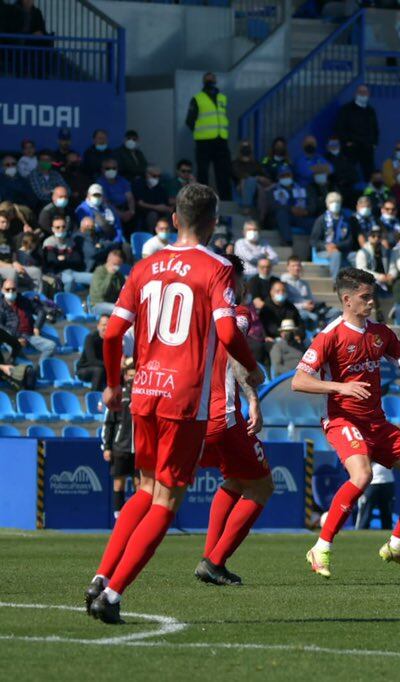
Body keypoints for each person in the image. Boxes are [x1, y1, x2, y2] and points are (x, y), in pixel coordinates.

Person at [85, 183, 262, 624]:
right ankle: (112, 595)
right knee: (167, 498)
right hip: (184, 398)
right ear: (214, 221)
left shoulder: (144, 267)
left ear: (176, 217)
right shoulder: (218, 268)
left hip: (143, 390)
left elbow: (111, 334)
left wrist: (111, 386)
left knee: (146, 489)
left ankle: (100, 576)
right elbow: (226, 332)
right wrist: (252, 366)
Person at [296, 268, 400, 578]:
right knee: (362, 475)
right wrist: (340, 387)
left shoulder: (381, 333)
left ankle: (397, 545)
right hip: (342, 420)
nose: (371, 301)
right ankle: (321, 546)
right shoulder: (330, 335)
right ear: (347, 300)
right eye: (365, 297)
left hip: (377, 424)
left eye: (372, 295)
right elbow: (299, 381)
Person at [195, 254, 275, 586]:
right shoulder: (235, 314)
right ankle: (215, 561)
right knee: (262, 486)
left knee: (235, 480)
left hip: (192, 415)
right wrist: (254, 400)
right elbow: (234, 354)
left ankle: (210, 556)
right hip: (223, 414)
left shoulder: (196, 315)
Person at [185, 73, 233, 200]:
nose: (210, 80)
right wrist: (199, 132)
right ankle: (203, 199)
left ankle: (225, 199)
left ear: (216, 80)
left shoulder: (222, 98)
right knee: (203, 172)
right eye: (208, 78)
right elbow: (190, 120)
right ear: (204, 81)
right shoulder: (197, 98)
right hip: (204, 141)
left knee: (223, 171)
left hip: (220, 139)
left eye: (212, 78)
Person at [102, 358, 136, 521]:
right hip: (120, 447)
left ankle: (137, 518)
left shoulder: (144, 396)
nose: (132, 379)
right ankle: (119, 518)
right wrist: (107, 446)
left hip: (140, 448)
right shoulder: (119, 396)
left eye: (135, 376)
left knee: (141, 485)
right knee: (119, 483)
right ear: (125, 376)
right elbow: (109, 423)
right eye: (130, 376)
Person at [0, 278, 54, 363]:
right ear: (2, 290)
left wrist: (37, 327)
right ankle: (27, 369)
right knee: (16, 351)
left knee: (51, 346)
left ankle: (39, 371)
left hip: (29, 336)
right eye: (7, 289)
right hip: (11, 339)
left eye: (13, 289)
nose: (11, 292)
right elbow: (1, 327)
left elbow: (41, 311)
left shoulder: (24, 301)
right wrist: (15, 339)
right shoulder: (1, 306)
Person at [334, 85, 378, 181]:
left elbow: (375, 129)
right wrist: (346, 142)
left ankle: (370, 195)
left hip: (367, 148)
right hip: (352, 148)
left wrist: (374, 143)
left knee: (370, 174)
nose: (363, 94)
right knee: (348, 174)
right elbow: (340, 128)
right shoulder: (346, 109)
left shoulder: (371, 111)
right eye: (360, 92)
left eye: (365, 92)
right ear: (355, 94)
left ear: (369, 94)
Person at [88, 250, 126, 317]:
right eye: (114, 264)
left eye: (119, 265)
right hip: (97, 305)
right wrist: (110, 275)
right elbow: (102, 292)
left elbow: (123, 292)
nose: (117, 267)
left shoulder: (119, 275)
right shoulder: (99, 272)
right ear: (108, 260)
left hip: (113, 303)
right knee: (118, 310)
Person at [77, 314, 109, 390]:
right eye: (104, 325)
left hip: (104, 368)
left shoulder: (112, 340)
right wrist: (109, 366)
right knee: (98, 370)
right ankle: (95, 396)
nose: (106, 327)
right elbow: (92, 360)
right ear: (98, 326)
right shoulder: (91, 338)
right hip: (85, 369)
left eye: (109, 325)